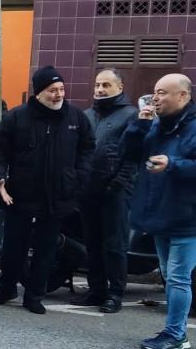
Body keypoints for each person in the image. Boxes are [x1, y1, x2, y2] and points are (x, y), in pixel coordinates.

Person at [0, 66, 95, 315]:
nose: (58, 95)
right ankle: (6, 287)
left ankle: (34, 295)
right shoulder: (17, 117)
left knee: (46, 249)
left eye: (61, 89)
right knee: (14, 248)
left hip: (57, 198)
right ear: (39, 93)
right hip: (20, 196)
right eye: (52, 90)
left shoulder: (76, 119)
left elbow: (88, 149)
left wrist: (79, 178)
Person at [121, 74, 196, 349]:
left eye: (163, 93)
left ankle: (176, 335)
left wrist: (173, 164)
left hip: (188, 218)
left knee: (178, 277)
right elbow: (129, 154)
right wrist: (138, 126)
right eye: (155, 92)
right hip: (160, 213)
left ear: (183, 96)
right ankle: (176, 333)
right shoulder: (155, 125)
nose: (156, 98)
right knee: (169, 274)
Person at [68, 69, 138, 314]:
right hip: (88, 190)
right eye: (97, 84)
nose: (100, 89)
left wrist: (118, 184)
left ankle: (115, 293)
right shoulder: (86, 115)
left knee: (115, 244)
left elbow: (133, 156)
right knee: (93, 243)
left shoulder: (131, 116)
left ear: (119, 88)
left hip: (116, 191)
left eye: (106, 85)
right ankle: (96, 289)